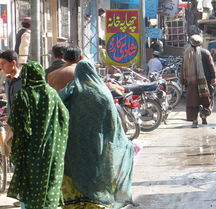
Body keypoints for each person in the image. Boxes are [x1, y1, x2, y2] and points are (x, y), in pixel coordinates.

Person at [59, 60, 135, 208]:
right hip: (97, 146)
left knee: (75, 176)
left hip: (74, 146)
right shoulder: (103, 93)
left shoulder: (71, 92)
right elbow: (113, 125)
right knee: (96, 177)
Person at [7, 62, 69, 209]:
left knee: (30, 189)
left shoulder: (23, 95)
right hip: (53, 152)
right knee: (50, 188)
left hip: (30, 153)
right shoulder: (52, 93)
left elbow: (16, 125)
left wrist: (10, 145)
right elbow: (65, 118)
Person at [181, 35, 216, 127]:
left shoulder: (186, 53)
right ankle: (204, 115)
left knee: (192, 101)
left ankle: (194, 120)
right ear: (200, 43)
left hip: (191, 82)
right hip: (205, 82)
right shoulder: (206, 52)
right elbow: (211, 66)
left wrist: (183, 80)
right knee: (206, 99)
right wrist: (214, 77)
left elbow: (183, 68)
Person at [0, 50, 22, 117]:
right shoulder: (7, 81)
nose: (1, 67)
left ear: (13, 63)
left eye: (3, 63)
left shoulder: (23, 81)